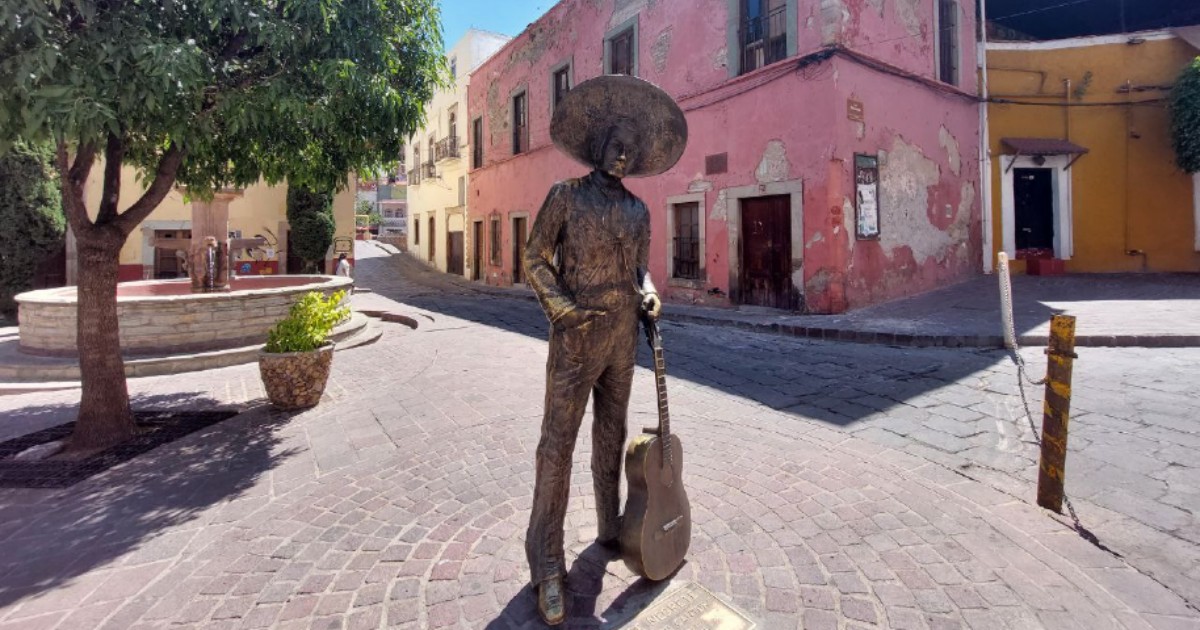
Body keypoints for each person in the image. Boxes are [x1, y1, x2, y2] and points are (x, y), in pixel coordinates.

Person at [522, 75, 687, 626]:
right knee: (557, 447)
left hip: (621, 341)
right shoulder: (565, 198)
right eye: (616, 144)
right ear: (597, 147)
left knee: (611, 440)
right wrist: (562, 310)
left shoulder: (640, 212)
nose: (623, 154)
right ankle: (546, 560)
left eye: (631, 150)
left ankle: (610, 527)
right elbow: (535, 258)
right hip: (575, 338)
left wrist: (652, 295)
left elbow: (641, 270)